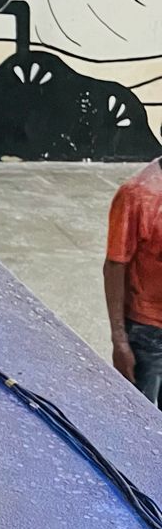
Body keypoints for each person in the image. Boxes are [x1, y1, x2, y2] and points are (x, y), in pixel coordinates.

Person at [104, 157, 162, 407]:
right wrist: (119, 340)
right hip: (147, 332)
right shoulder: (136, 194)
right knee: (140, 415)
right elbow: (115, 265)